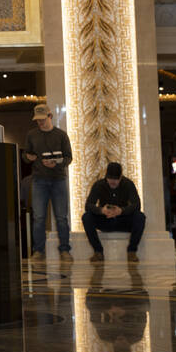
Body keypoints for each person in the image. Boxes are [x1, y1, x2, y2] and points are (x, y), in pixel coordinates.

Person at [22, 103, 72, 260]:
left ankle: (64, 250)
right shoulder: (31, 135)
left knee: (62, 218)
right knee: (39, 218)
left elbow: (69, 157)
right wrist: (28, 158)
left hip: (58, 180)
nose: (40, 123)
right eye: (37, 120)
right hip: (39, 181)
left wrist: (57, 163)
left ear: (50, 116)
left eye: (43, 119)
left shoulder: (61, 135)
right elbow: (25, 156)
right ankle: (39, 251)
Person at [83, 162, 145, 262]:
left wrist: (121, 211)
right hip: (105, 220)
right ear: (106, 177)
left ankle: (132, 252)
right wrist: (101, 210)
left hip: (122, 220)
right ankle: (98, 252)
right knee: (87, 217)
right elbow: (88, 205)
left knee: (140, 216)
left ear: (120, 177)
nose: (112, 182)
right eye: (110, 179)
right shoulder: (99, 185)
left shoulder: (128, 184)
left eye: (115, 179)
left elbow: (137, 205)